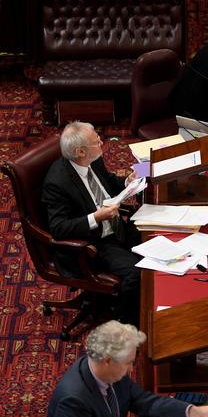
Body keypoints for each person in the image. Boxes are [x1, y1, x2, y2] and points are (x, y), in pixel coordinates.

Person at [41, 320, 208, 417]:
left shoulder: (109, 372)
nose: (131, 369)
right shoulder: (73, 401)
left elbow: (143, 400)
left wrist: (193, 412)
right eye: (129, 363)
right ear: (107, 360)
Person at [42, 121, 141, 325]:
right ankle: (127, 324)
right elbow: (59, 228)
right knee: (136, 274)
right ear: (80, 152)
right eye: (96, 141)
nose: (101, 142)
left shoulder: (92, 159)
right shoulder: (57, 183)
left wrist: (126, 182)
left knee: (156, 231)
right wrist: (97, 217)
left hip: (115, 226)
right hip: (94, 244)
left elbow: (107, 183)